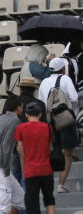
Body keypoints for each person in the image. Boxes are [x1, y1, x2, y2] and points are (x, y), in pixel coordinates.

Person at [15, 101, 59, 214]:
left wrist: (23, 169)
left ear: (27, 115)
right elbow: (50, 148)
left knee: (31, 204)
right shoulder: (47, 127)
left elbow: (21, 152)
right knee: (49, 198)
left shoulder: (21, 128)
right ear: (40, 114)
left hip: (30, 171)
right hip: (46, 169)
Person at [39, 57, 79, 193]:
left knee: (52, 151)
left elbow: (41, 102)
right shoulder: (66, 79)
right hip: (65, 120)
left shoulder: (44, 82)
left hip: (50, 121)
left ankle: (49, 184)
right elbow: (74, 98)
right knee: (68, 154)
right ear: (63, 68)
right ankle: (61, 184)